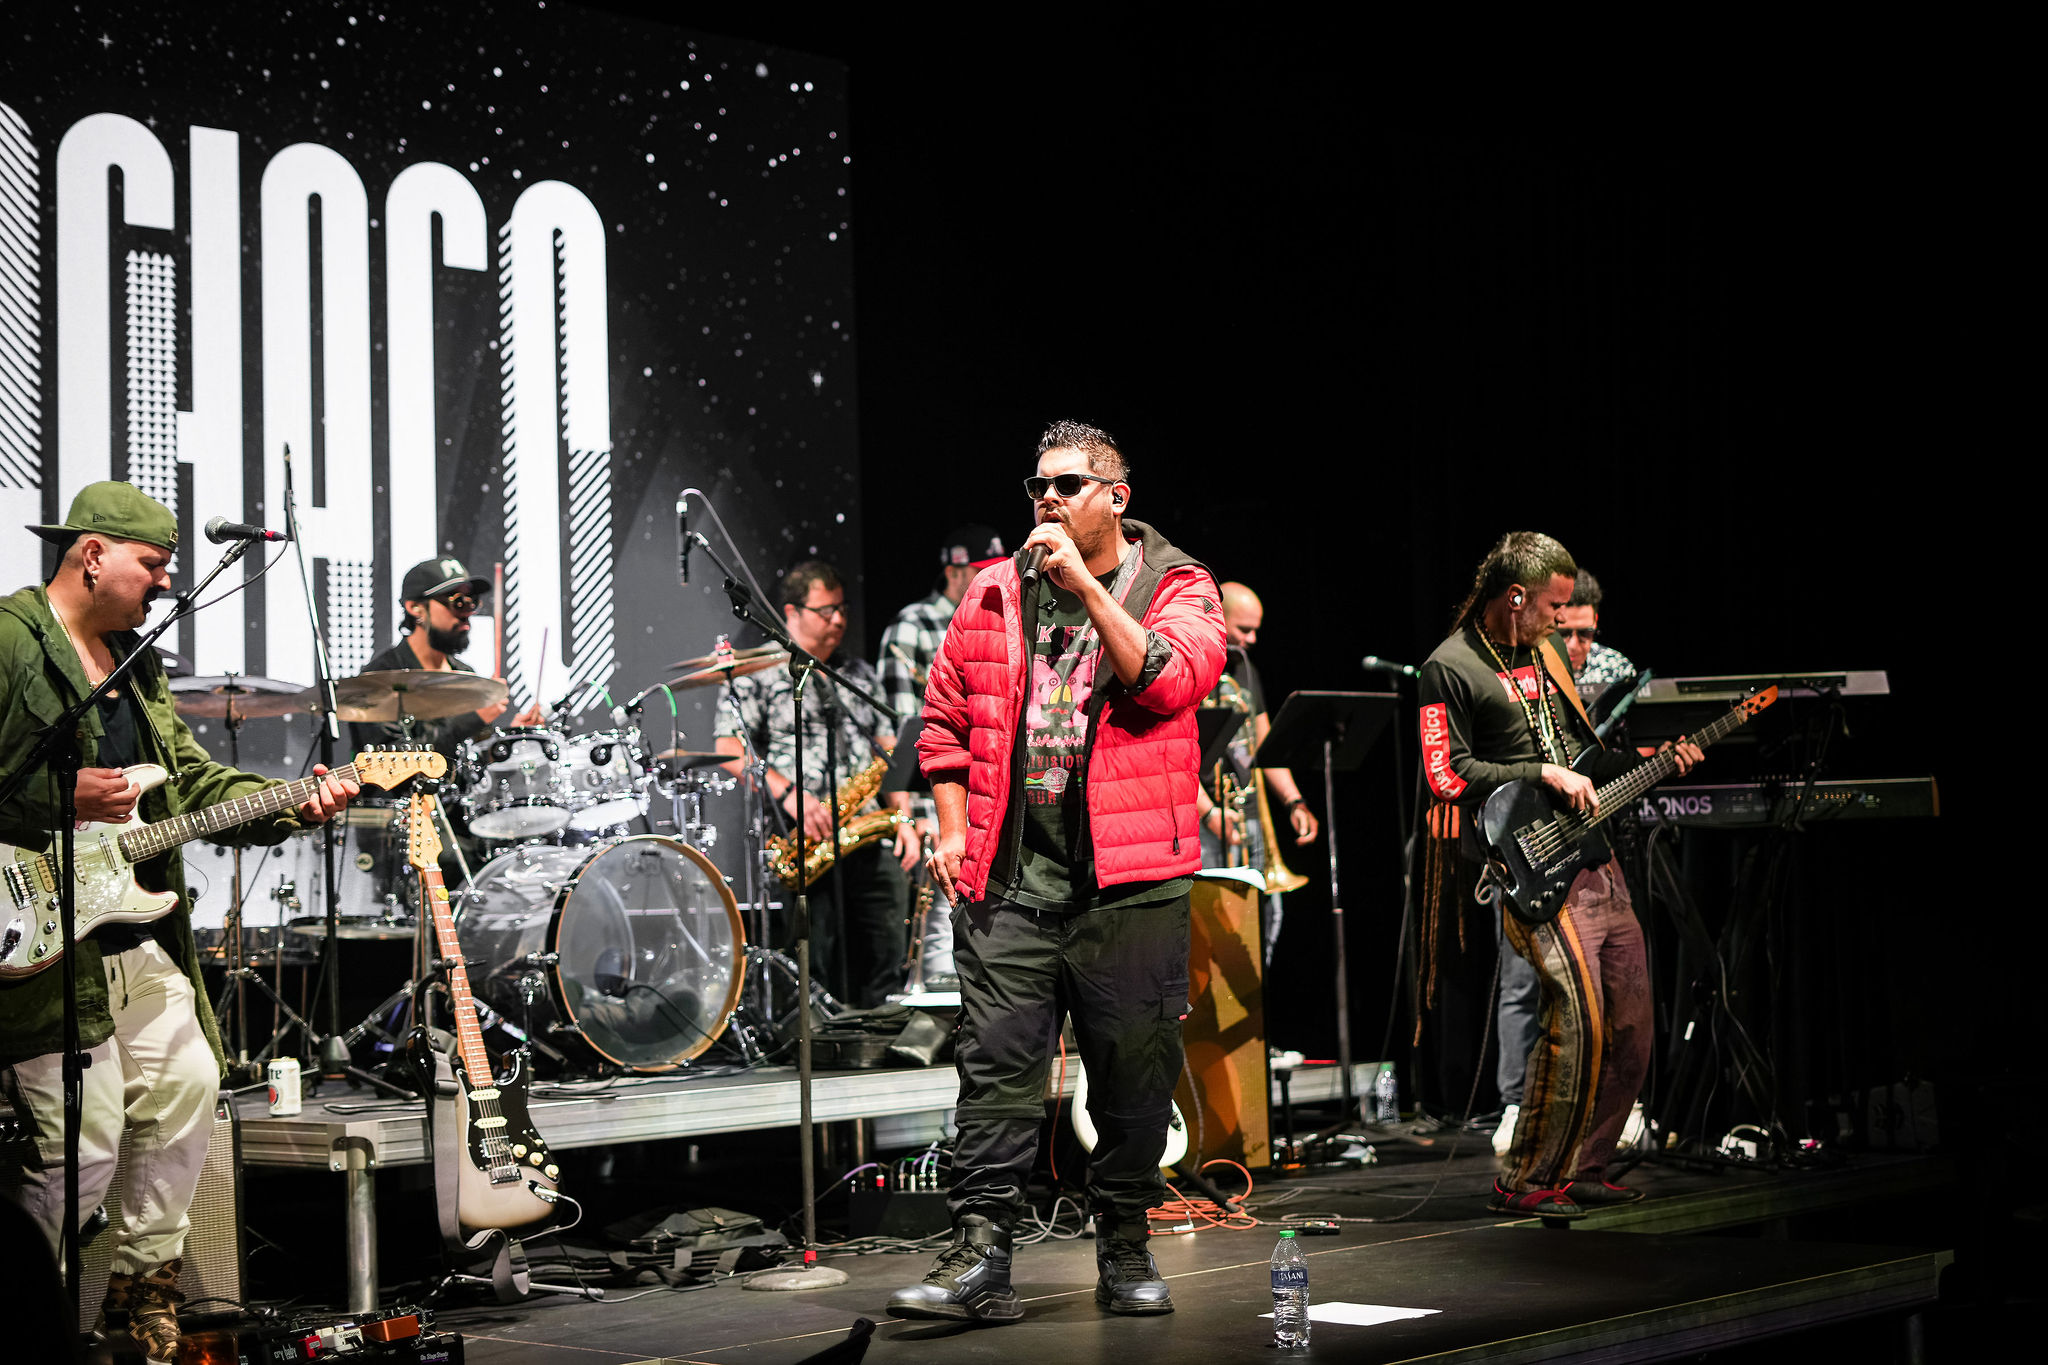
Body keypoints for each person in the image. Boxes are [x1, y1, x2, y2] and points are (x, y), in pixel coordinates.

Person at [0, 482, 356, 1364]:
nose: (165, 582)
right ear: (93, 555)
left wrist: (289, 802)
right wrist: (54, 794)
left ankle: (144, 1285)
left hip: (132, 933)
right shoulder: (9, 639)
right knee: (76, 1150)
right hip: (37, 943)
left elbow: (189, 783)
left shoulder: (137, 662)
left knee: (190, 1081)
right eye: (153, 564)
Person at [887, 421, 1226, 1323]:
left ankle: (1125, 1245)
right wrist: (953, 830)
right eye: (1038, 485)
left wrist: (1086, 588)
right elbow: (943, 719)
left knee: (1131, 1080)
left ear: (1117, 496)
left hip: (1133, 884)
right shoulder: (995, 590)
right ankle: (980, 1257)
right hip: (1010, 882)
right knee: (994, 1075)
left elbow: (1167, 682)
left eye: (1068, 484)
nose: (1047, 498)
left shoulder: (1177, 584)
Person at [1417, 531, 1699, 1216]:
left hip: (1590, 853)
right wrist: (1539, 771)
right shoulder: (1449, 666)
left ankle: (1586, 1166)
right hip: (1531, 863)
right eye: (1553, 607)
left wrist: (1652, 760)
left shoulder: (1543, 656)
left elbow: (1579, 753)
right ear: (1516, 597)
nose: (1560, 622)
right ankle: (1524, 1179)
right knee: (1577, 1021)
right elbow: (1445, 773)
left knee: (1633, 1023)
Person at [714, 560, 917, 1008]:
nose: (839, 619)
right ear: (792, 612)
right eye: (827, 611)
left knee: (886, 950)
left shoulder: (857, 673)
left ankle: (878, 1031)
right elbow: (729, 748)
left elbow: (888, 750)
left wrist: (903, 818)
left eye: (842, 609)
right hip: (803, 837)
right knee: (815, 960)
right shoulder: (756, 671)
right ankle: (819, 1036)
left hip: (865, 831)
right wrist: (791, 796)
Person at [1494, 566, 1640, 1156]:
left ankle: (1612, 1109)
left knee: (1610, 980)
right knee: (1521, 981)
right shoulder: (1524, 669)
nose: (1577, 645)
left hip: (1594, 842)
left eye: (1586, 633)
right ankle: (1514, 1104)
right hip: (1532, 841)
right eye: (1566, 631)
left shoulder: (1616, 672)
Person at [878, 525, 1009, 992]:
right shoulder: (912, 625)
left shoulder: (1001, 614)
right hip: (937, 793)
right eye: (978, 569)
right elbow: (901, 730)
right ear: (953, 571)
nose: (989, 577)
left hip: (990, 791)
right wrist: (914, 814)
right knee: (941, 916)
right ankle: (936, 1001)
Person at [1193, 581, 1319, 962]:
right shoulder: (1191, 667)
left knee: (1264, 922)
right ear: (1219, 618)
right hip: (1205, 820)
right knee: (1213, 934)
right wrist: (1210, 814)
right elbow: (1173, 758)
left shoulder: (1247, 671)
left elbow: (1267, 748)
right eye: (1244, 629)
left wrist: (1294, 801)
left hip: (1247, 817)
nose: (1252, 639)